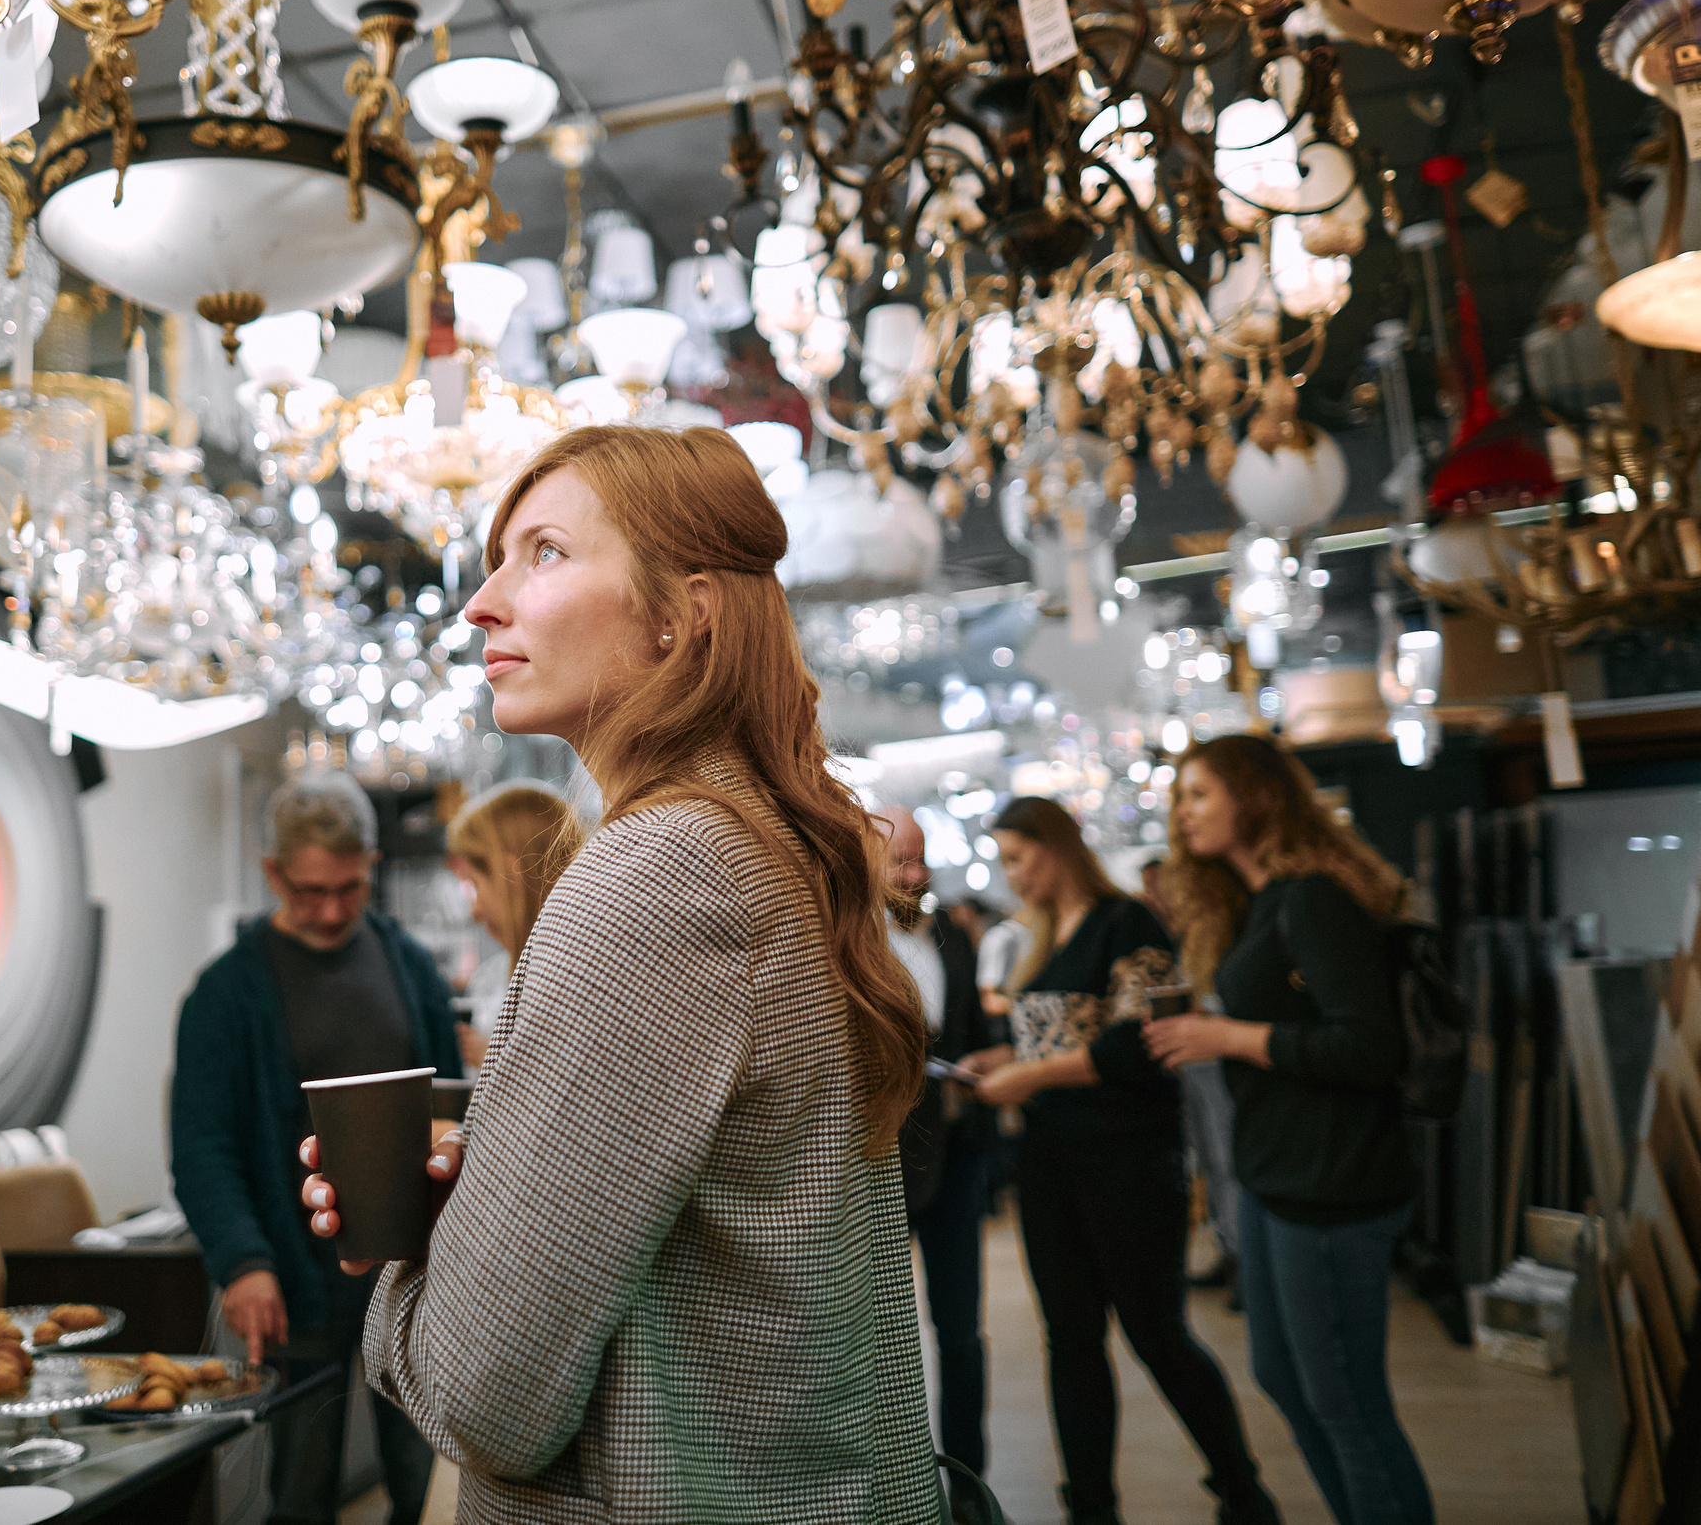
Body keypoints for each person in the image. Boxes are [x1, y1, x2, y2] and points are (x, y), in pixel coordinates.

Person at [303, 424, 942, 1522]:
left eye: (543, 552)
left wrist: (409, 1264)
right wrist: (493, 1187)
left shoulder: (659, 871)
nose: (480, 603)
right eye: (497, 557)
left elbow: (480, 1396)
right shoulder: (766, 844)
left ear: (679, 614)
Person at [1144, 735, 1432, 1525]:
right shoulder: (1261, 903)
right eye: (1181, 797)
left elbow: (1371, 1046)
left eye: (1200, 792)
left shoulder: (1312, 897)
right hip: (1279, 1173)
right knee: (1285, 1377)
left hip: (1334, 1181)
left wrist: (1227, 1036)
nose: (1184, 811)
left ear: (1257, 794)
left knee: (1345, 1401)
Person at [966, 797, 1279, 1525]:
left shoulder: (1126, 923)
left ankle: (1240, 1488)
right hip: (1049, 1160)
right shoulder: (1039, 937)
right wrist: (1006, 1059)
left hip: (1128, 1160)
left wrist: (1032, 1075)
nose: (1011, 875)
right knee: (1070, 1338)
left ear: (1057, 845)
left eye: (1019, 856)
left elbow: (1138, 1042)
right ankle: (1092, 1506)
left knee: (1154, 1330)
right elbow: (1059, 1041)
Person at [169, 771, 463, 1525]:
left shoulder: (411, 965)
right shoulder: (224, 994)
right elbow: (202, 1147)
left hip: (414, 1268)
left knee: (425, 1476)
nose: (331, 911)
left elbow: (450, 1113)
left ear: (369, 863)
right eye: (309, 891)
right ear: (272, 874)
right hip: (293, 1276)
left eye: (348, 888)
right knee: (300, 1490)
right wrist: (242, 1261)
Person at [883, 804, 1001, 1479]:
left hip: (958, 1153)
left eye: (920, 857)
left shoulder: (955, 932)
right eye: (900, 859)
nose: (916, 872)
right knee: (883, 1334)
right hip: (886, 1160)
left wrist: (989, 1062)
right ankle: (899, 1476)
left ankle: (967, 1475)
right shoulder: (850, 938)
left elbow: (974, 1031)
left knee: (961, 1332)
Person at [1144, 853, 1240, 1302]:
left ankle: (1243, 1261)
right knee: (1209, 1159)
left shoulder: (1216, 931)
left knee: (1226, 1158)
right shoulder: (1179, 936)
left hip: (1219, 1063)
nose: (1154, 896)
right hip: (1194, 1065)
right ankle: (1232, 1251)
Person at [443, 779, 579, 1064]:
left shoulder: (570, 984)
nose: (474, 911)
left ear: (510, 873)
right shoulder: (499, 975)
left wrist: (494, 1062)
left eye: (475, 886)